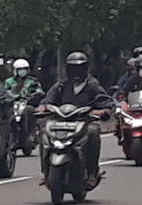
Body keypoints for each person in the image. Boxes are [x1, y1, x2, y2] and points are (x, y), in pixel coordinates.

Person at [45, 50, 110, 185]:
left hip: (84, 123)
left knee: (93, 132)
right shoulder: (61, 86)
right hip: (61, 123)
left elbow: (105, 102)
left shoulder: (93, 86)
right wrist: (42, 106)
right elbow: (48, 99)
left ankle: (92, 172)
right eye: (73, 68)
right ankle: (45, 172)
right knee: (43, 135)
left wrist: (102, 111)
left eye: (79, 68)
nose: (76, 72)